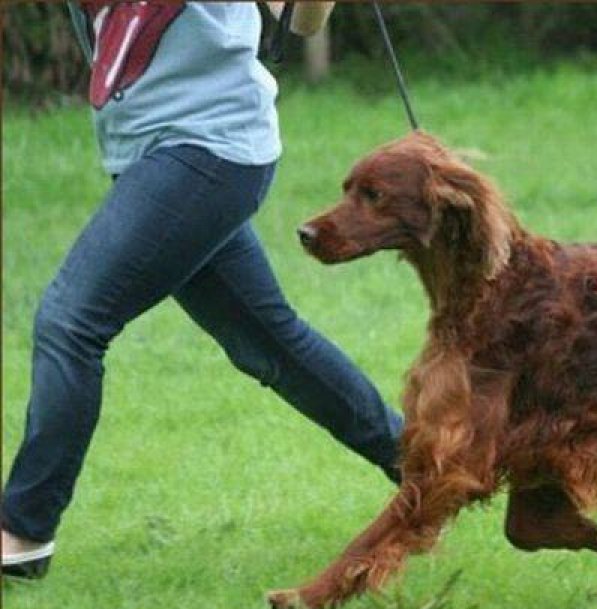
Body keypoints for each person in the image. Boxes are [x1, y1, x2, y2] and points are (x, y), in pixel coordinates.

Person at [1, 2, 404, 579]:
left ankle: (23, 528)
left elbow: (304, 21)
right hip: (150, 151)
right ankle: (425, 461)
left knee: (71, 322)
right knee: (269, 343)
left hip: (207, 148)